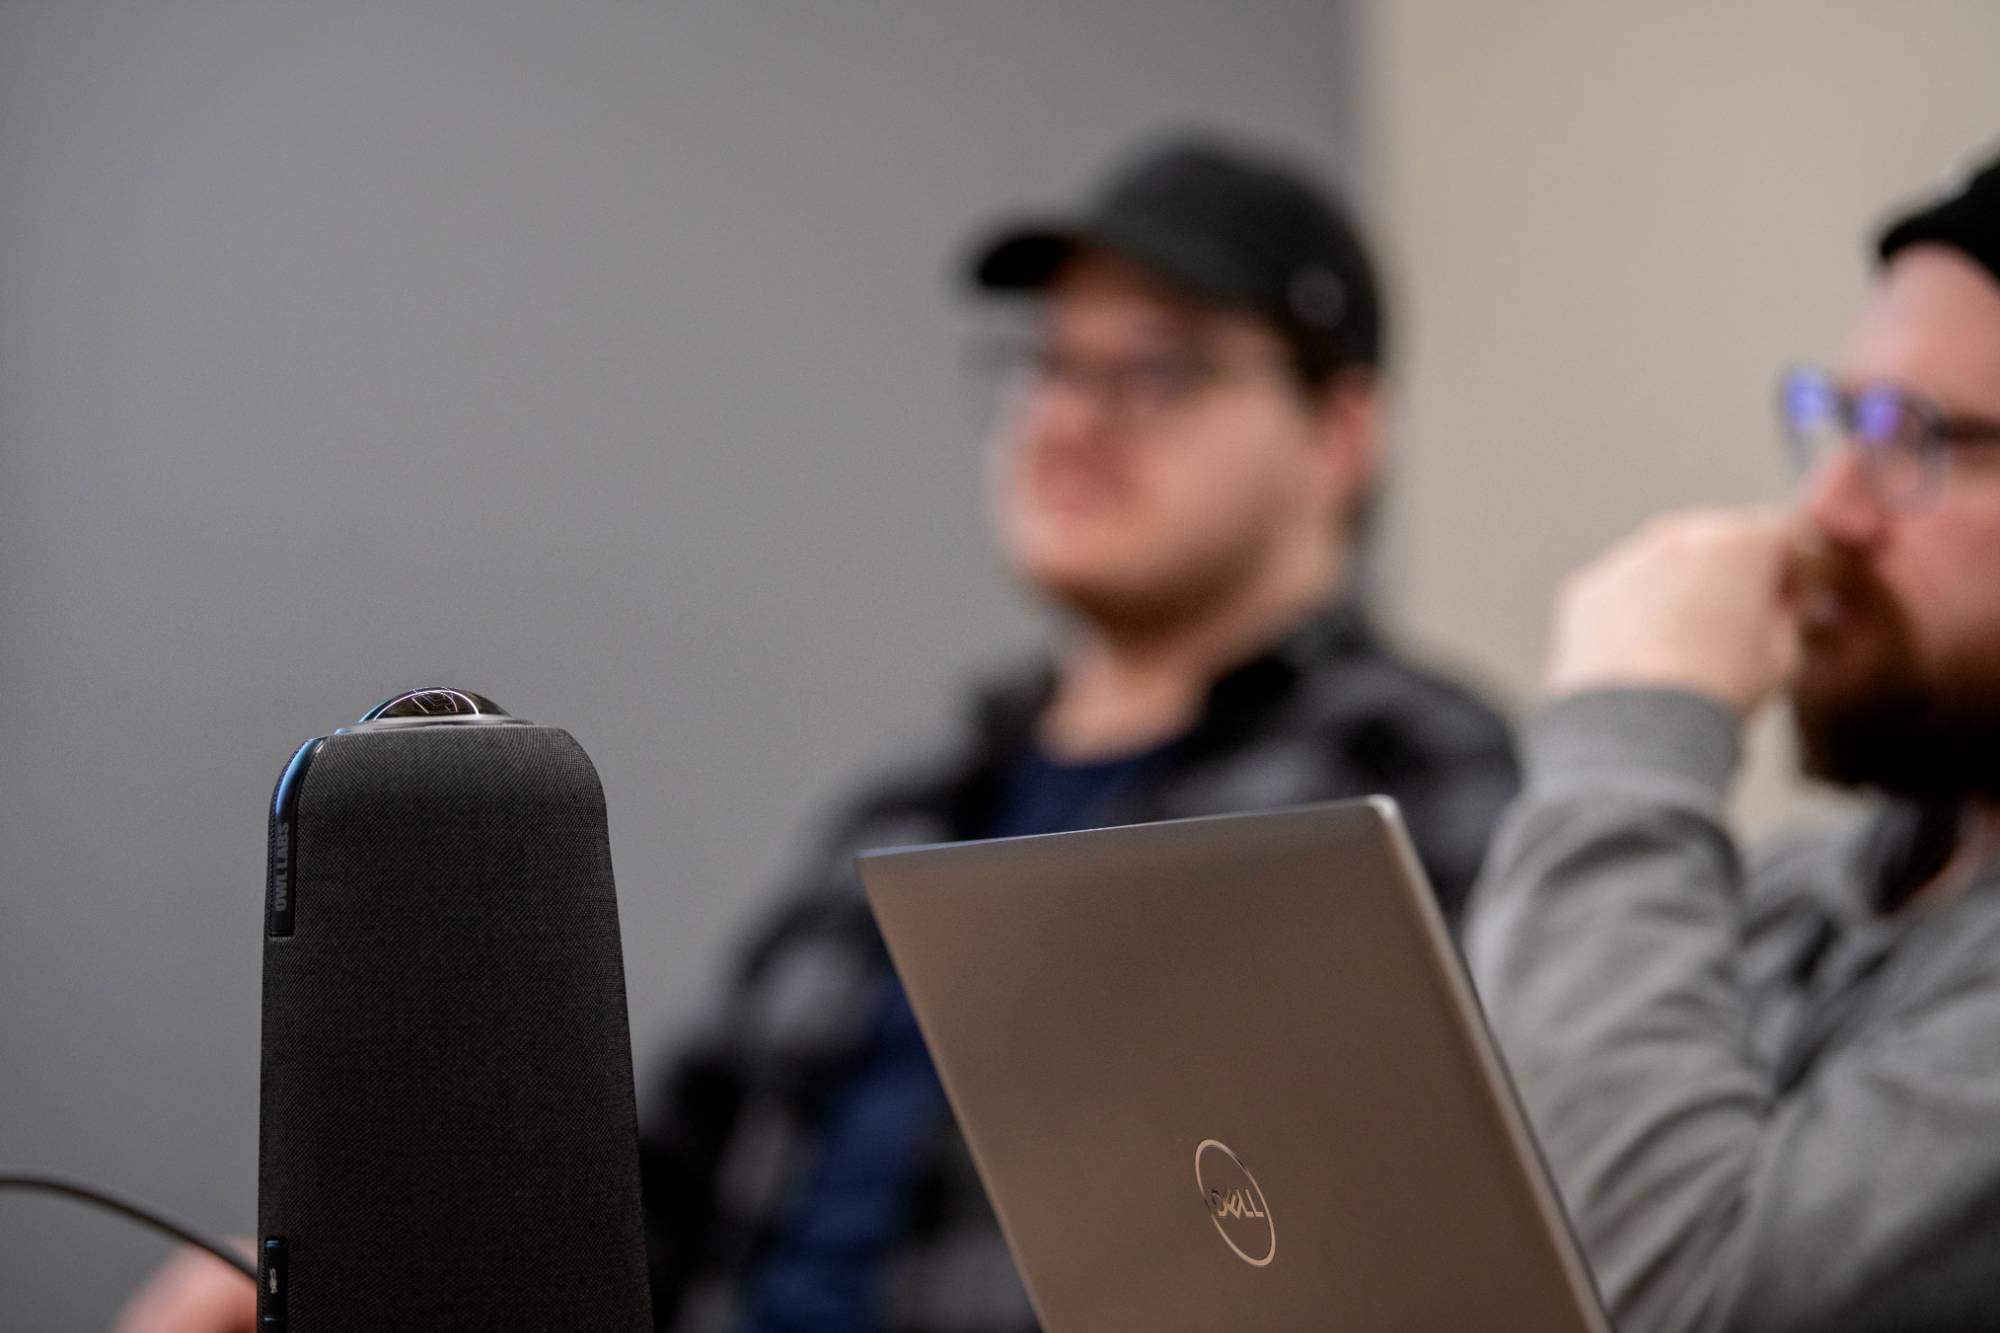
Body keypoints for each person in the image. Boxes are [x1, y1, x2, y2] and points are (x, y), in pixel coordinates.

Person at [113, 133, 1518, 1333]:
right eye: (1049, 363)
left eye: (1154, 367)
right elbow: (635, 1208)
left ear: (1339, 431)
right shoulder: (901, 811)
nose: (1069, 417)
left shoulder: (1418, 777)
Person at [1466, 151, 2000, 1333]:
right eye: (1840, 421)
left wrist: (1629, 734)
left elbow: (1660, 1299)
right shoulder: (1801, 890)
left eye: (1918, 439)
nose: (1827, 511)